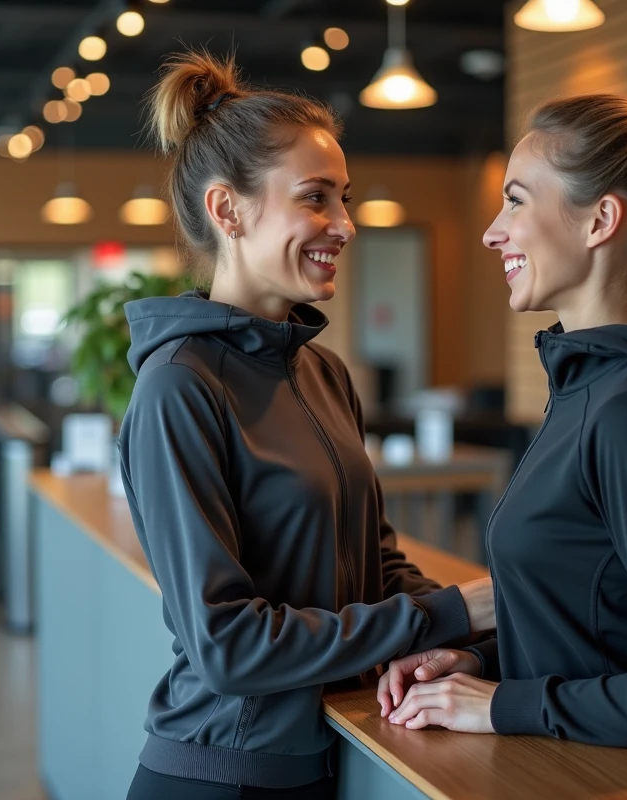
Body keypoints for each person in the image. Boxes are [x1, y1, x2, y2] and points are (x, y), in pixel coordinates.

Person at [117, 51, 494, 799]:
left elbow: (376, 565)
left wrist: (469, 636)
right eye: (315, 198)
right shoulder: (179, 387)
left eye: (344, 199)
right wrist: (452, 610)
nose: (345, 225)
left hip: (323, 760)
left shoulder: (324, 373)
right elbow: (228, 647)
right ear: (228, 211)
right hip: (223, 775)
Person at [378, 93, 627, 748]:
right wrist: (482, 663)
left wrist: (501, 704)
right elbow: (601, 626)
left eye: (515, 201)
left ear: (600, 221)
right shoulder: (584, 383)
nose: (492, 232)